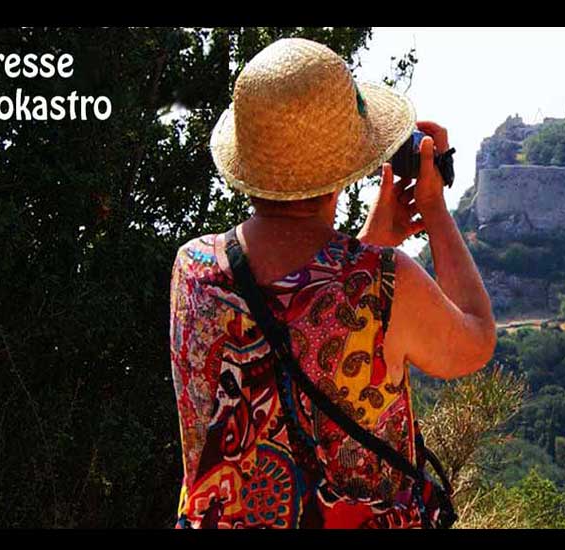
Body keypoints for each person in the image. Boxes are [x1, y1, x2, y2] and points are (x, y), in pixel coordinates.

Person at [169, 38, 495, 529]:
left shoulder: (193, 267)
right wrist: (434, 211)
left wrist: (367, 244)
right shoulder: (382, 282)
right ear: (345, 162)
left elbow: (294, 316)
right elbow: (475, 341)